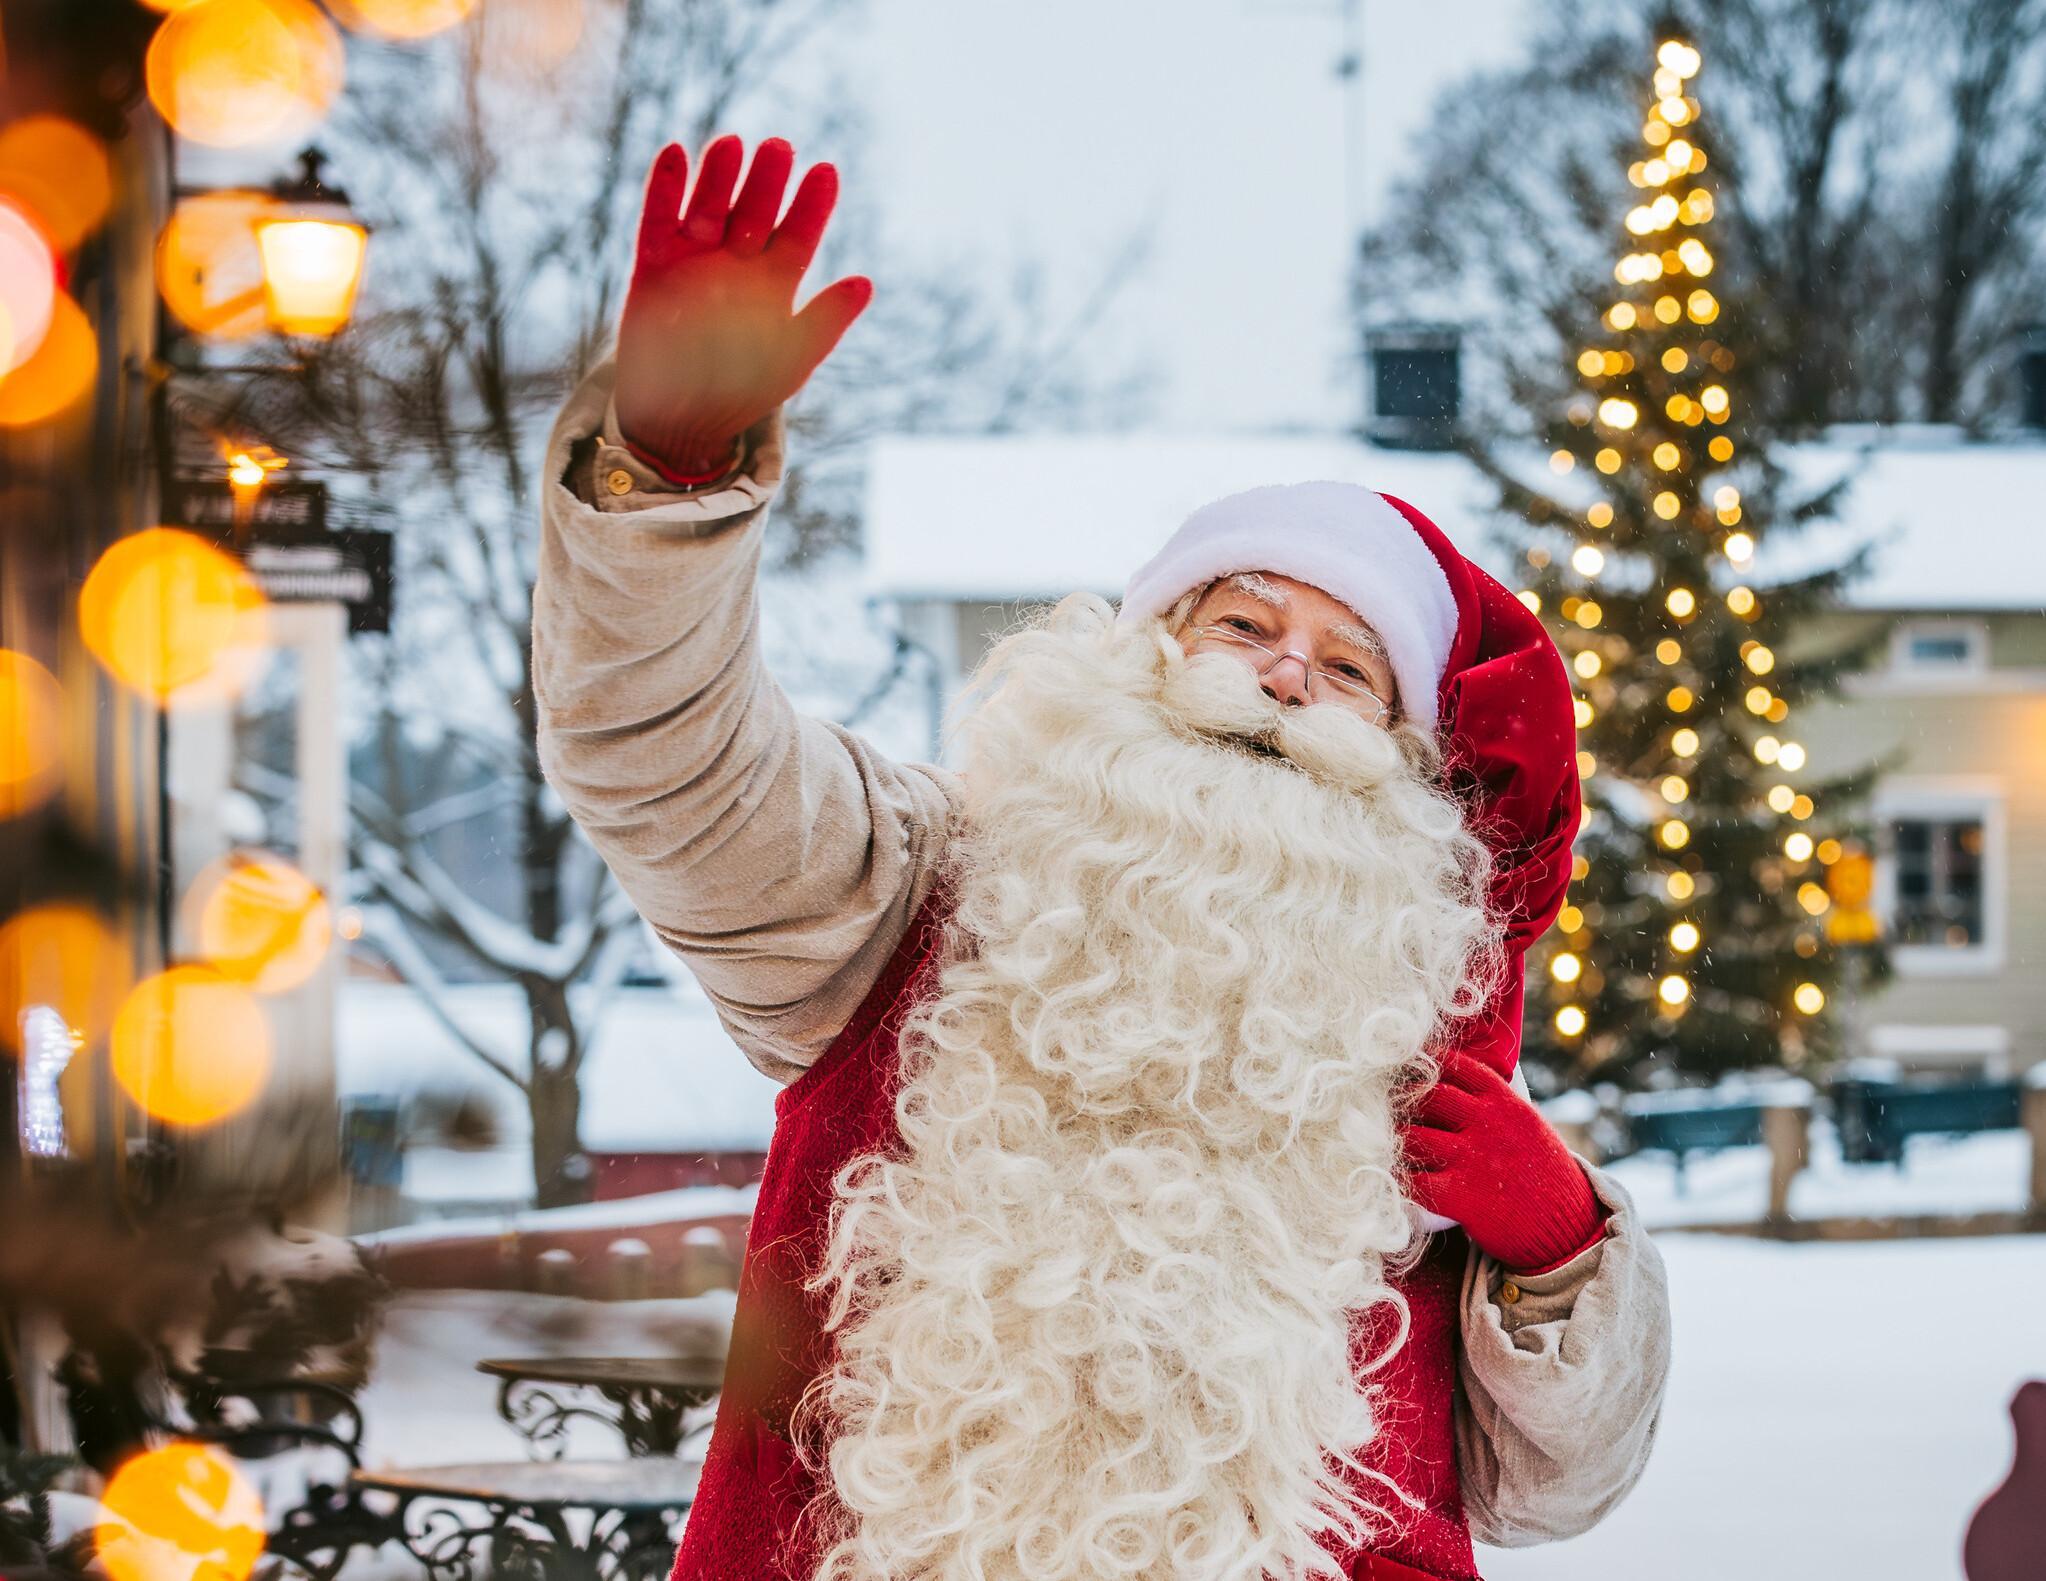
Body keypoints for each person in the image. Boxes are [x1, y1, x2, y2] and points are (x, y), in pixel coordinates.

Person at [534, 133, 1672, 1581]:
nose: (1278, 680)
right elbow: (664, 763)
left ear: (1404, 761)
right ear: (1143, 655)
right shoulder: (909, 900)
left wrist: (1563, 1251)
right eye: (1243, 626)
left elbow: (1560, 1488)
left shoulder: (1406, 1030)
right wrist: (662, 482)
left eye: (1347, 668)